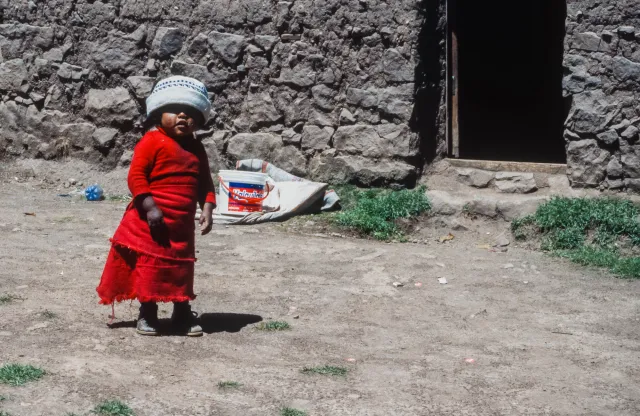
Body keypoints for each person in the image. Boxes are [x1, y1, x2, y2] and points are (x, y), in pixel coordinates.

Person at [96, 76, 216, 337]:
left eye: (192, 112)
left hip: (182, 225)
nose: (183, 116)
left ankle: (181, 312)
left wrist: (207, 208)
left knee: (181, 268)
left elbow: (205, 182)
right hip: (151, 222)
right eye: (175, 111)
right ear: (159, 114)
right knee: (150, 268)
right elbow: (136, 176)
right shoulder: (152, 141)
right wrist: (150, 206)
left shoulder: (196, 148)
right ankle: (147, 313)